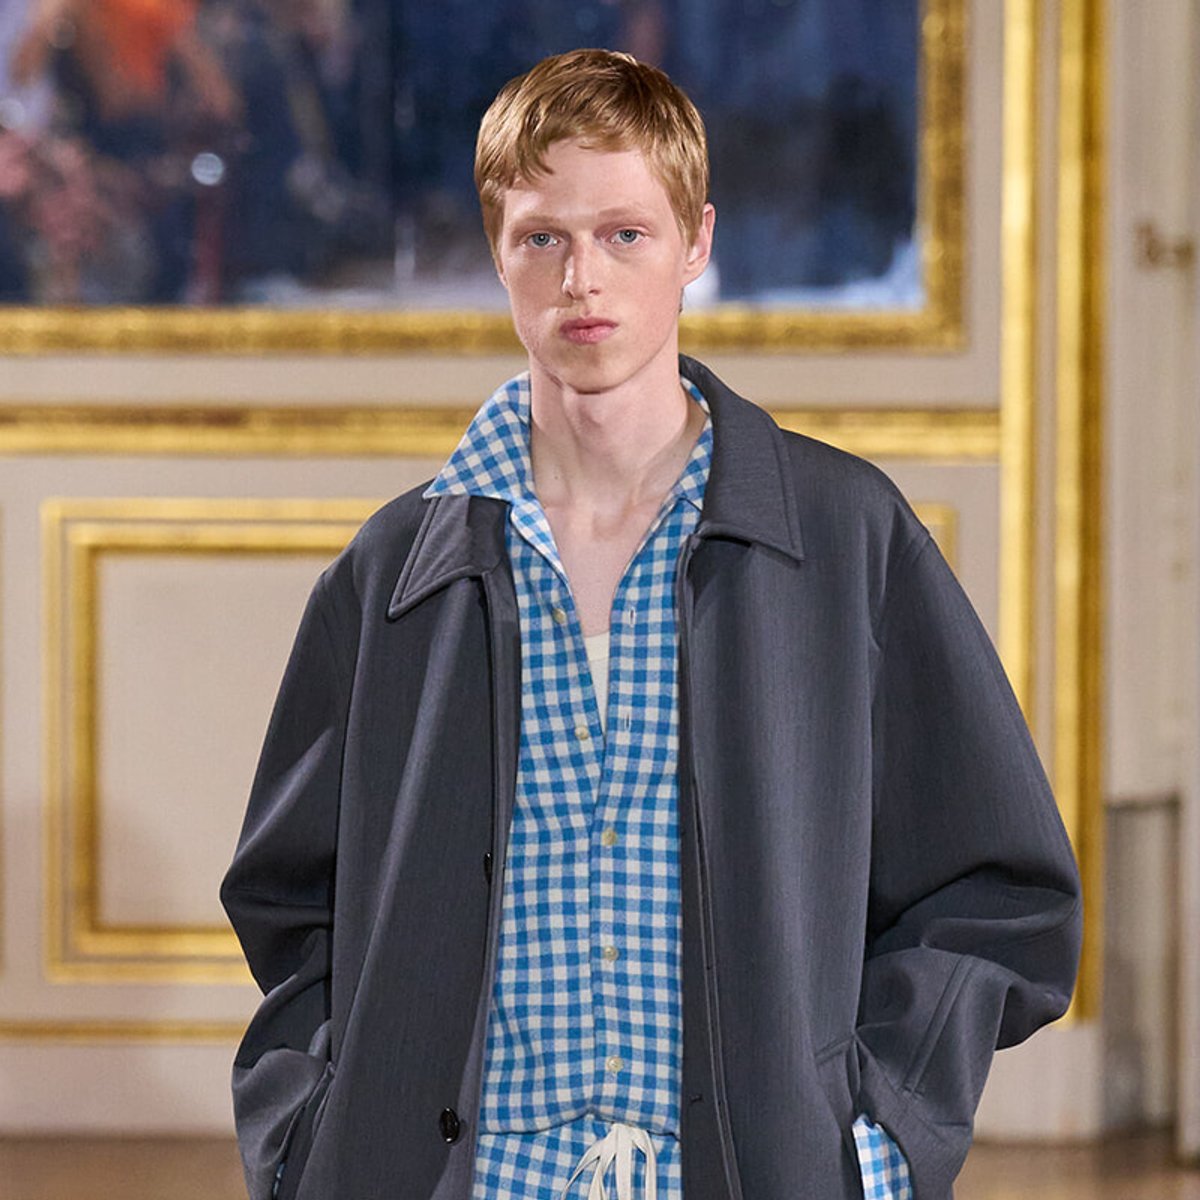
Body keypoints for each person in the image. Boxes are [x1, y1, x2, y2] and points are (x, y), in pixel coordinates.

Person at [222, 48, 1082, 1200]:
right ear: (497, 252)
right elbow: (290, 901)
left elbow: (1000, 889)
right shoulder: (395, 572)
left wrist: (877, 1141)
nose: (584, 279)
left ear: (698, 244)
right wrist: (313, 1133)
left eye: (625, 233)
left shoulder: (843, 539)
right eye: (543, 237)